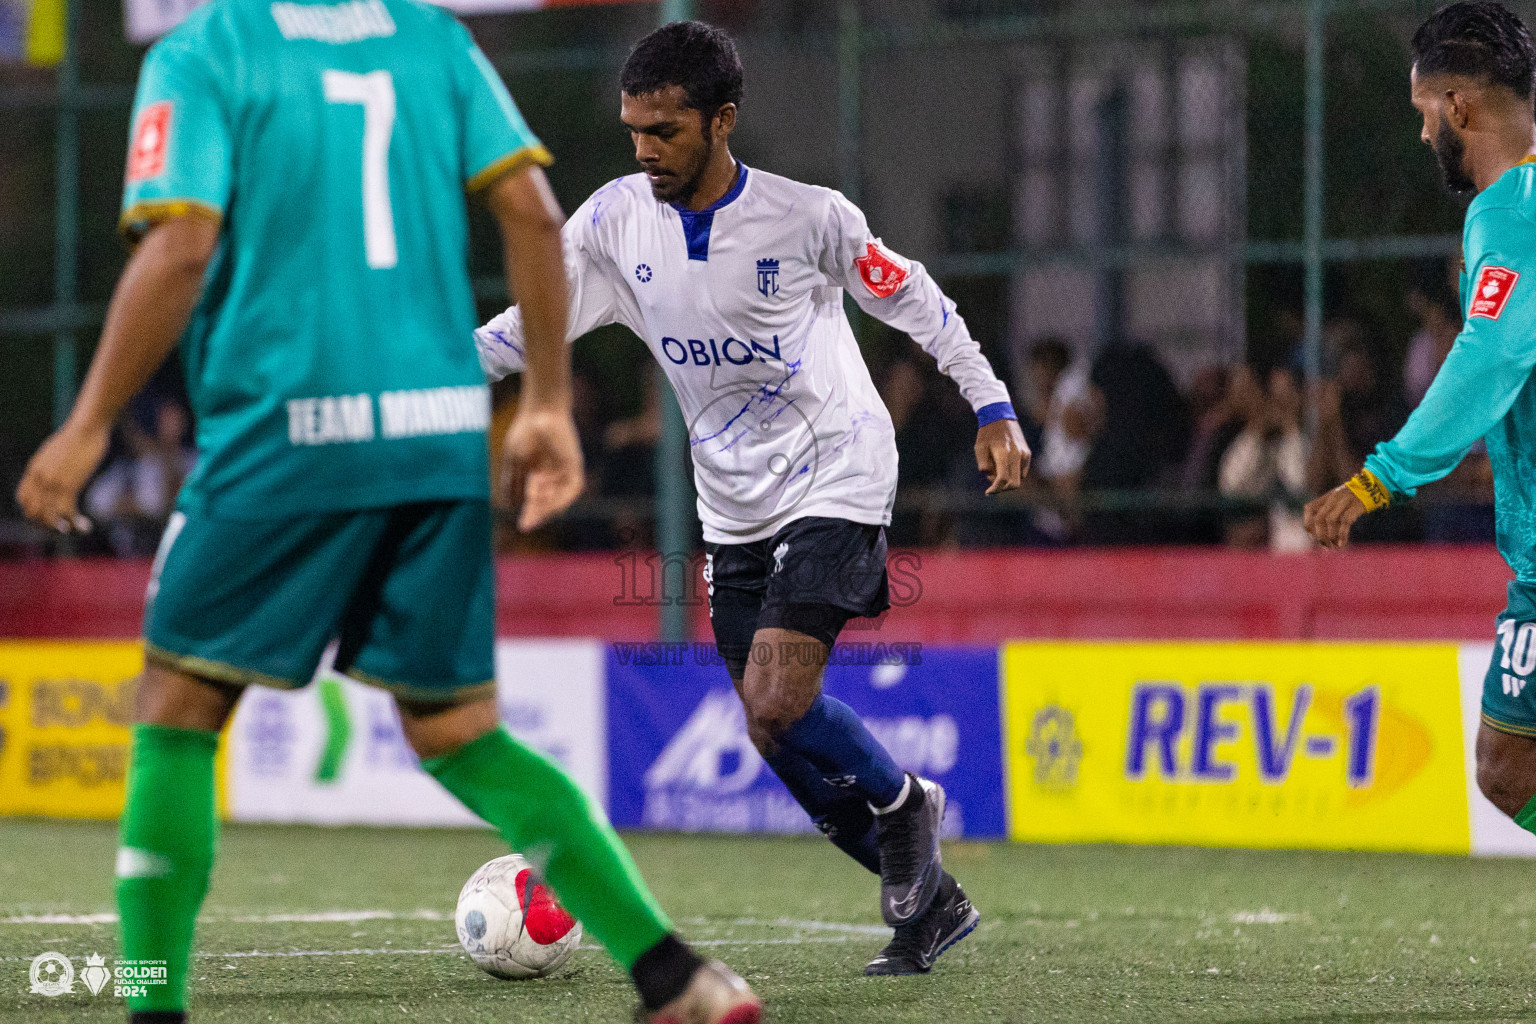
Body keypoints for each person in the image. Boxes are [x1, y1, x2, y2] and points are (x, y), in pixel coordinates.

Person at [13, 0, 758, 1020]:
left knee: (176, 712)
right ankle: (677, 977)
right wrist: (542, 401)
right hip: (436, 428)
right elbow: (537, 216)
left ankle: (151, 1004)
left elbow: (182, 246)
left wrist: (90, 420)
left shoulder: (206, 49)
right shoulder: (433, 40)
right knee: (461, 730)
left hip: (288, 429)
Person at [477, 20, 1028, 976]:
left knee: (779, 692)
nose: (645, 149)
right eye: (633, 130)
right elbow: (533, 323)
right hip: (732, 502)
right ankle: (931, 901)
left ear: (722, 120)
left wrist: (990, 401)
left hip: (839, 470)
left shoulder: (807, 218)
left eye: (667, 130)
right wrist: (428, 373)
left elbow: (915, 297)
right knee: (770, 728)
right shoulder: (613, 223)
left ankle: (907, 808)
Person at [1306, 1, 1536, 852]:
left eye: (1423, 114)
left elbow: (1488, 356)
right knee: (1508, 765)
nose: (1421, 134)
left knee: (1507, 769)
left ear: (1460, 108)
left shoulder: (1509, 210)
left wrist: (1381, 476)